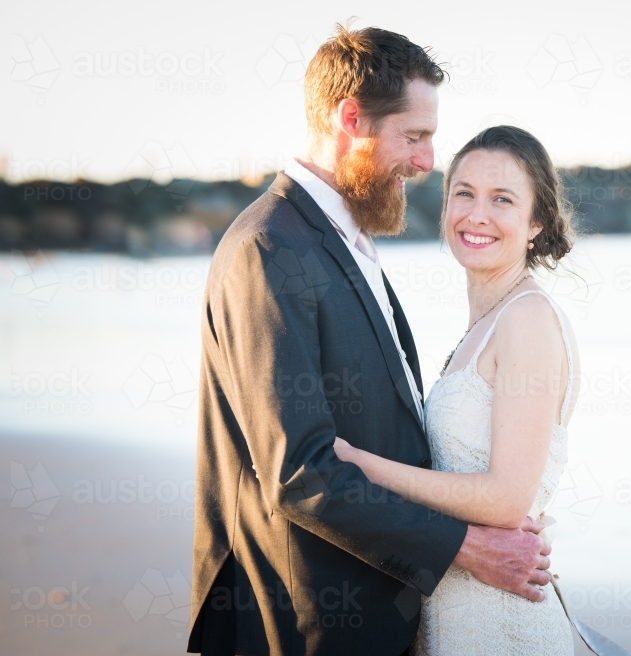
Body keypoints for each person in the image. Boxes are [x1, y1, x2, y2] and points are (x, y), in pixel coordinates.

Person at [187, 26, 552, 656]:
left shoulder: (347, 241)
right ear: (350, 119)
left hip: (380, 613)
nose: (427, 162)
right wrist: (468, 547)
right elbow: (300, 471)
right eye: (413, 136)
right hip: (309, 622)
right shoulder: (268, 249)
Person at [333, 125, 579, 655]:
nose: (477, 214)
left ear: (536, 222)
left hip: (502, 623)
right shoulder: (483, 326)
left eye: (503, 200)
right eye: (463, 193)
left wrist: (363, 466)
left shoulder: (528, 318)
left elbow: (508, 499)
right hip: (458, 608)